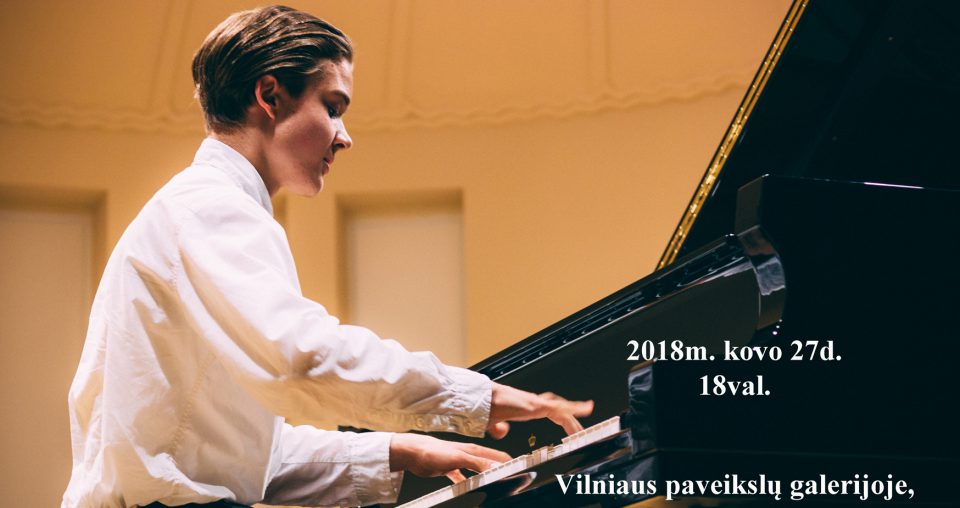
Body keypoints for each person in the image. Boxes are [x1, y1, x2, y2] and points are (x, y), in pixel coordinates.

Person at [62, 5, 592, 508]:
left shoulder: (201, 208)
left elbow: (244, 457)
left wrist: (399, 450)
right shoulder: (210, 208)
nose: (345, 138)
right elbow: (302, 360)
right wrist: (476, 398)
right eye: (333, 108)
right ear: (270, 95)